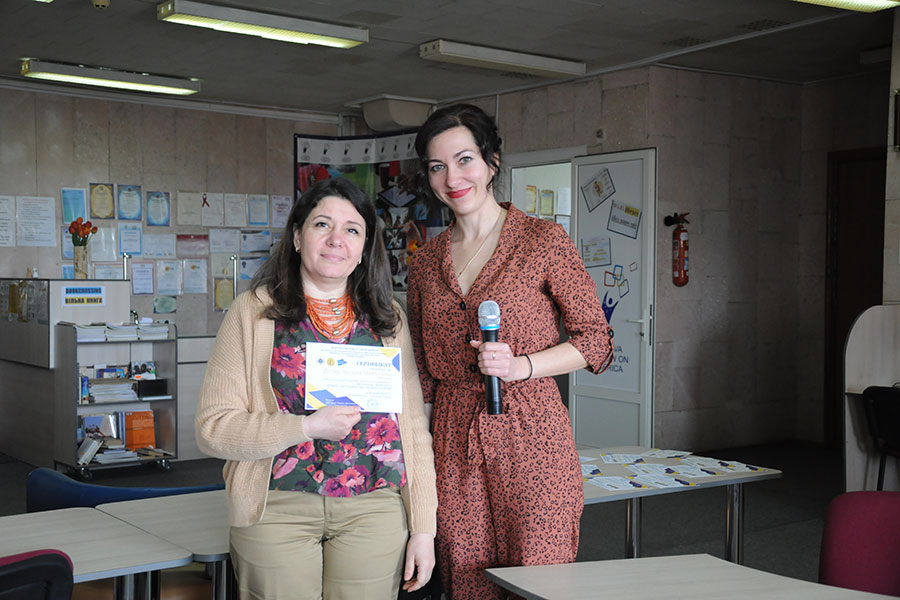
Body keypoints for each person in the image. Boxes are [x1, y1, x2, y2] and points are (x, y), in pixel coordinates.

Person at [407, 104, 614, 600]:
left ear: (492, 162)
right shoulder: (426, 263)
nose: (452, 178)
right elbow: (422, 371)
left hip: (532, 432)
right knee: (467, 581)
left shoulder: (542, 241)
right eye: (437, 166)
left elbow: (596, 339)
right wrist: (417, 465)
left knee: (540, 579)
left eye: (464, 160)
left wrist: (522, 366)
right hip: (453, 439)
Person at [196, 177, 437, 600]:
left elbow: (413, 429)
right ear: (296, 236)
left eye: (352, 229)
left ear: (364, 248)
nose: (336, 239)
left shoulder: (387, 319)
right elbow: (212, 428)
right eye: (322, 224)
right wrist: (305, 427)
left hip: (374, 508)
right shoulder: (253, 312)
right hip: (276, 506)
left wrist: (424, 528)